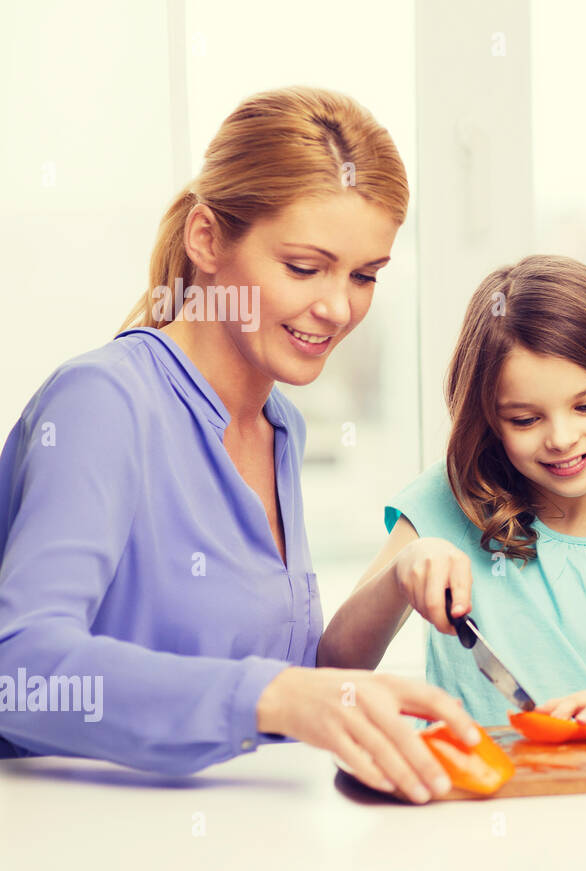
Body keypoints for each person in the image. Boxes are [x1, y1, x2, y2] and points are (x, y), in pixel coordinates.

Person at [0, 87, 481, 805]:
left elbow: (282, 674)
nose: (338, 307)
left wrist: (399, 573)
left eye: (365, 275)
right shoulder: (105, 402)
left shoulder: (280, 426)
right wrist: (279, 696)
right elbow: (20, 671)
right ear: (206, 240)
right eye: (303, 267)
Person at [317, 255, 586, 727]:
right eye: (526, 419)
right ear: (489, 420)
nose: (560, 437)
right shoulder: (448, 500)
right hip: (471, 790)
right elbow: (336, 663)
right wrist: (397, 577)